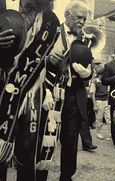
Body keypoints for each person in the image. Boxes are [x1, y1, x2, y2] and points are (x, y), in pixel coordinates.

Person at [0, 0, 60, 181]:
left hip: (31, 91)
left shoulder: (50, 20)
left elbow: (45, 60)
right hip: (2, 86)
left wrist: (52, 62)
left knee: (28, 149)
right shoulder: (4, 3)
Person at [46, 1, 97, 180]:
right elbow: (37, 59)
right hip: (50, 94)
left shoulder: (88, 40)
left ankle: (66, 177)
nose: (83, 22)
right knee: (46, 138)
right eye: (79, 17)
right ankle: (39, 173)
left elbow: (90, 70)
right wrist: (48, 58)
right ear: (67, 15)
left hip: (74, 96)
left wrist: (88, 74)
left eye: (85, 18)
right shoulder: (52, 32)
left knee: (70, 140)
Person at [90, 63, 111, 140]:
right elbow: (92, 94)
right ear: (99, 74)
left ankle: (111, 133)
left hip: (106, 101)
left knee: (108, 118)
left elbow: (108, 91)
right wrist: (94, 105)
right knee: (99, 118)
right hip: (99, 101)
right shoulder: (95, 82)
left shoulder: (106, 82)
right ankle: (98, 132)